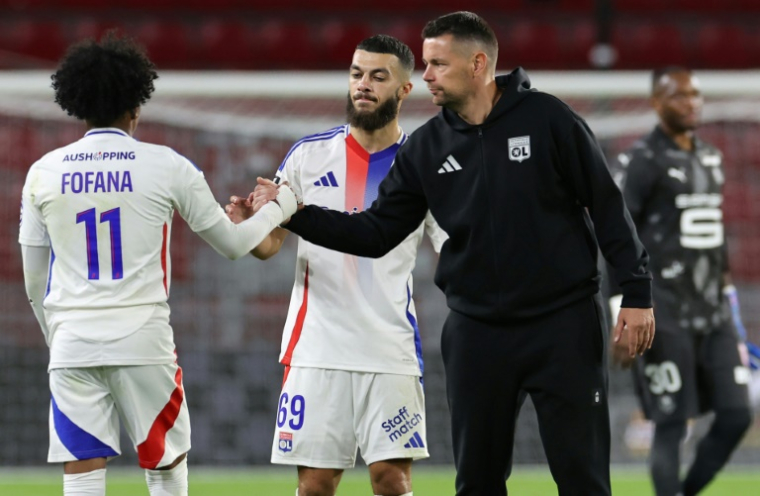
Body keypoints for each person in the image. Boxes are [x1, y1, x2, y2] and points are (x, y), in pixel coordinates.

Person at [252, 11, 655, 496]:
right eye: (425, 64)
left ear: (478, 63)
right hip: (477, 334)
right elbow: (375, 232)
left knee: (582, 478)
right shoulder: (425, 149)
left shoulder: (549, 119)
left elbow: (606, 205)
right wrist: (291, 211)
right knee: (477, 484)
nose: (426, 76)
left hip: (563, 325)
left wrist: (636, 291)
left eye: (438, 64)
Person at [18, 33, 297, 496]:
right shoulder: (166, 165)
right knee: (165, 463)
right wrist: (280, 207)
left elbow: (33, 278)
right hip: (143, 338)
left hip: (72, 341)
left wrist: (57, 333)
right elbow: (231, 244)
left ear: (77, 104)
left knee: (82, 470)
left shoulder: (44, 171)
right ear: (137, 105)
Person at [227, 34, 446, 496]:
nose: (363, 85)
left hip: (389, 347)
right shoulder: (308, 156)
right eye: (356, 73)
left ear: (405, 90)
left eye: (378, 76)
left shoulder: (421, 164)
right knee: (315, 486)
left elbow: (452, 248)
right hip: (317, 348)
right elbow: (270, 245)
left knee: (392, 480)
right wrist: (248, 228)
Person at [609, 67, 753, 496]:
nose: (691, 102)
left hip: (713, 311)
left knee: (736, 415)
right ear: (656, 103)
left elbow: (716, 239)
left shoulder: (710, 156)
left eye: (694, 94)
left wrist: (732, 306)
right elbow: (617, 236)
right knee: (671, 422)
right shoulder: (641, 161)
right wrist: (619, 307)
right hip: (662, 310)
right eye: (678, 95)